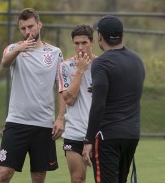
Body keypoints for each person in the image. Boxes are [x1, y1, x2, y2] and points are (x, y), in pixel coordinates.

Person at [0, 8, 65, 183]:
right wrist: (20, 49)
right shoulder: (14, 49)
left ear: (39, 25)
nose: (27, 32)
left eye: (31, 27)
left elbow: (62, 88)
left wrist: (60, 118)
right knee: (4, 173)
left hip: (43, 124)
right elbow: (4, 63)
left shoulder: (55, 53)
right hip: (16, 122)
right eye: (23, 28)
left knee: (39, 177)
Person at [82, 15, 145, 183]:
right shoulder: (137, 60)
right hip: (131, 134)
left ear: (100, 36)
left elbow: (98, 106)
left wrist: (88, 140)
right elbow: (131, 91)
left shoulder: (102, 63)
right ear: (121, 35)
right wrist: (102, 89)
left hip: (107, 136)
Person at [59, 25, 97, 183]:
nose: (80, 47)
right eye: (76, 43)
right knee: (77, 179)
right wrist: (80, 70)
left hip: (99, 133)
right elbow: (69, 99)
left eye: (84, 42)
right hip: (75, 132)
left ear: (92, 42)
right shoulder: (65, 66)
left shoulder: (102, 64)